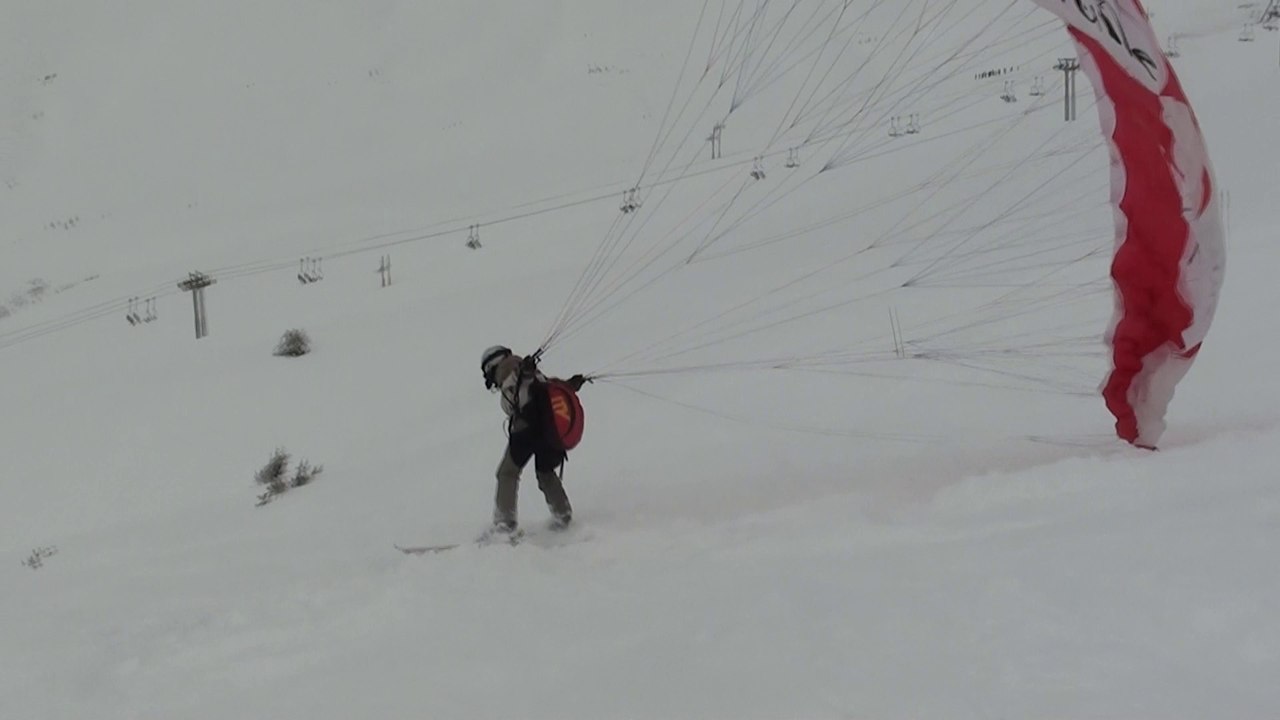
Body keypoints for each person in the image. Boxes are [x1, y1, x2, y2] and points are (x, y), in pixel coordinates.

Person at [480, 346, 588, 535]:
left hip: (527, 431)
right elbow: (547, 389)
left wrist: (519, 380)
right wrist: (570, 385)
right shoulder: (530, 371)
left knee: (507, 473)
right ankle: (563, 516)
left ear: (492, 366)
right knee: (545, 473)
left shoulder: (510, 374)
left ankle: (504, 525)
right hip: (550, 430)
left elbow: (513, 403)